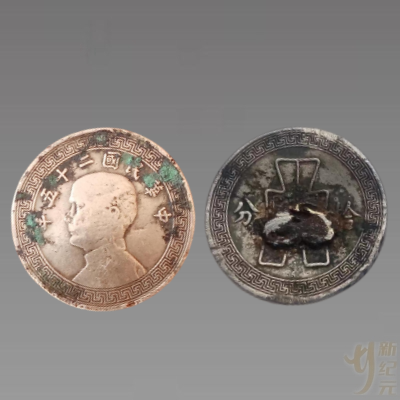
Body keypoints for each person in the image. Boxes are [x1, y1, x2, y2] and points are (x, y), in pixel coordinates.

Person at [65, 172, 146, 288]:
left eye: (79, 206)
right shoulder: (128, 268)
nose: (68, 217)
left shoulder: (118, 273)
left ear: (112, 214)